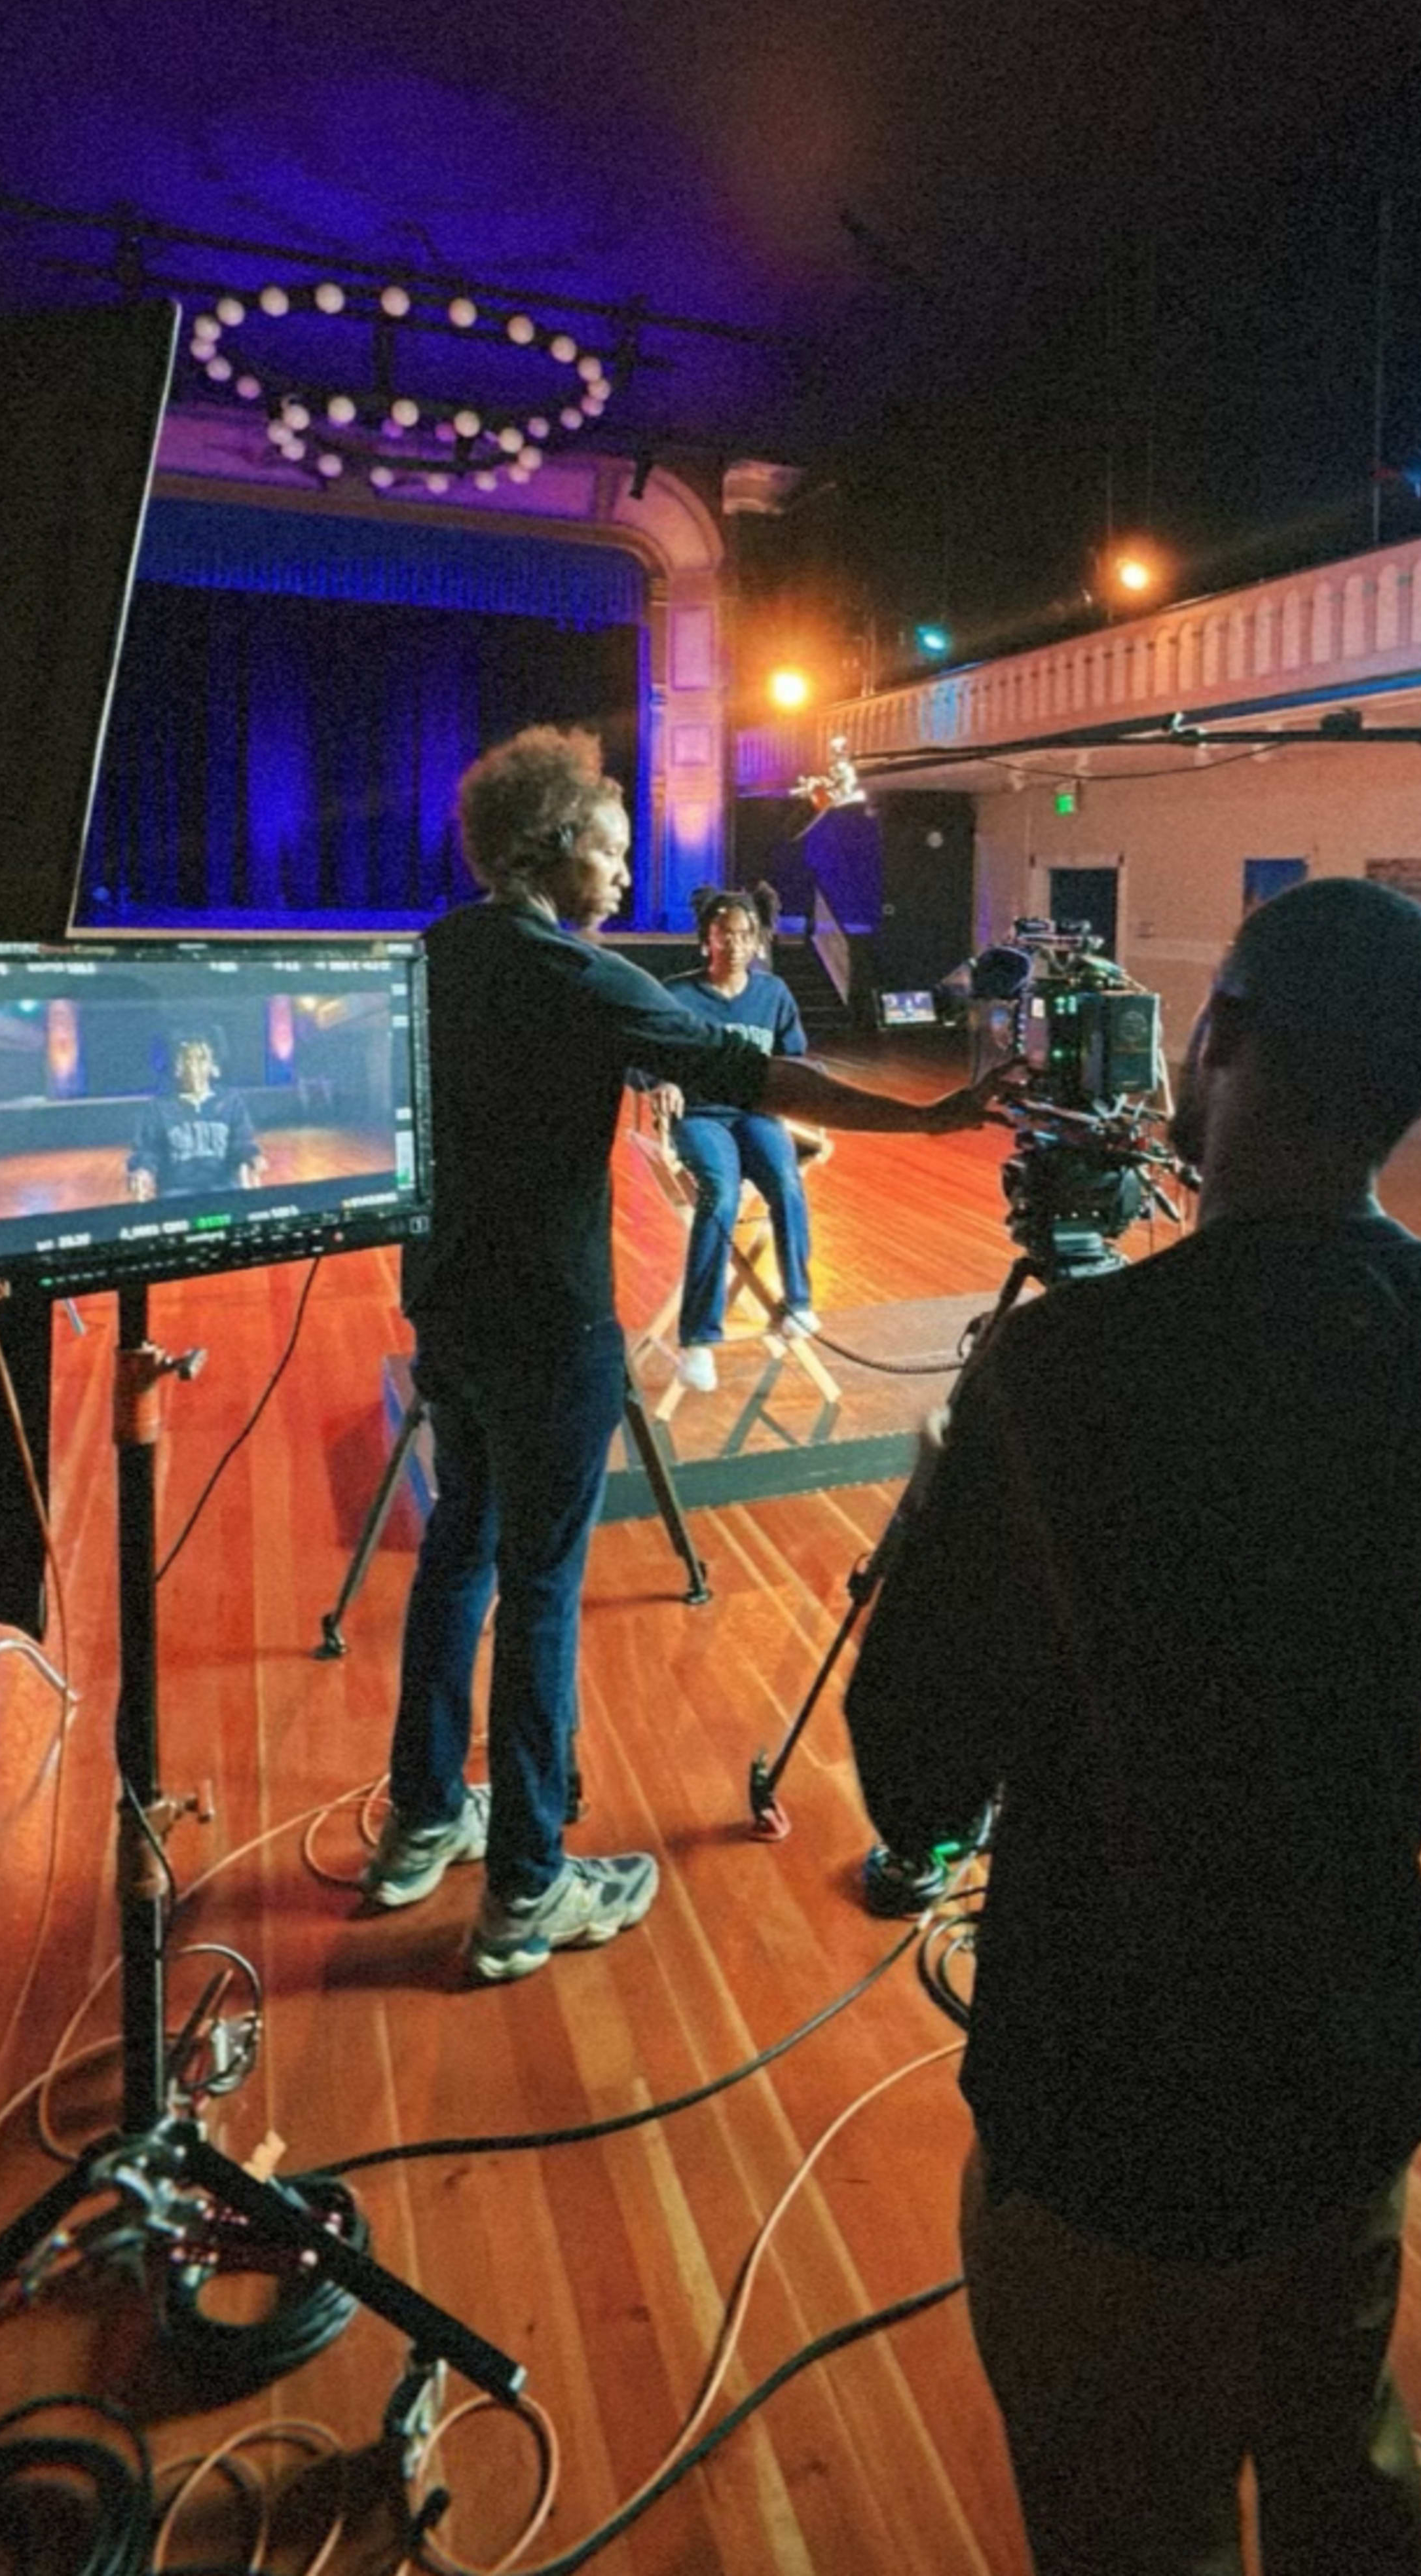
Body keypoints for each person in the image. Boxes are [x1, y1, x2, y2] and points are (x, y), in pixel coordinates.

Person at [845, 877, 1421, 2576]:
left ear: (1222, 1047)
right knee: (1341, 2456)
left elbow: (914, 1783)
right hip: (1351, 2056)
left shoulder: (1061, 1378)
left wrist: (945, 1521)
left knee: (1137, 2529)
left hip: (1108, 2095)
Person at [368, 725, 1008, 1983]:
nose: (624, 874)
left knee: (460, 1559)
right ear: (552, 852)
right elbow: (756, 1072)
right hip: (552, 1325)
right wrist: (928, 1117)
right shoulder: (575, 974)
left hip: (447, 1307)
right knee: (542, 1589)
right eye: (609, 851)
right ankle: (527, 1891)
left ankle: (421, 1821)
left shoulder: (439, 951)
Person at [646, 882, 819, 1392]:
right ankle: (699, 1339)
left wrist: (811, 1103)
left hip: (757, 1115)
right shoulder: (678, 995)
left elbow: (795, 1061)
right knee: (720, 1194)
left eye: (746, 934)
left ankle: (799, 1302)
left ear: (759, 941)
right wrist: (662, 1079)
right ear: (707, 939)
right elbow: (643, 1057)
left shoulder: (774, 995)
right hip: (701, 1118)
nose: (736, 943)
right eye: (725, 933)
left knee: (786, 1184)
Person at [125, 1027, 265, 1201]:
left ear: (214, 1066)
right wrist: (142, 1170)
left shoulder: (230, 1101)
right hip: (176, 1195)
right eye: (187, 1059)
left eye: (201, 1059)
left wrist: (251, 1156)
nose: (193, 1067)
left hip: (224, 1190)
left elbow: (241, 1141)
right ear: (177, 1067)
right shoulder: (159, 1107)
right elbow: (148, 1150)